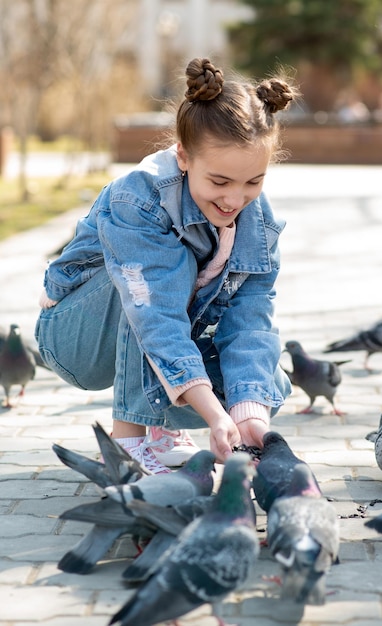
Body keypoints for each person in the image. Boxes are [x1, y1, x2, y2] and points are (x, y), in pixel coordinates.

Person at [35, 57, 294, 474]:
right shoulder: (137, 200)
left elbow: (251, 323)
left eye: (253, 182)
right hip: (77, 337)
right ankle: (127, 440)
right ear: (184, 157)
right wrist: (212, 414)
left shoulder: (258, 227)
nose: (235, 200)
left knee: (266, 381)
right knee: (155, 284)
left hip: (148, 324)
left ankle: (160, 427)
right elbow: (154, 314)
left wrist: (248, 417)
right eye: (220, 182)